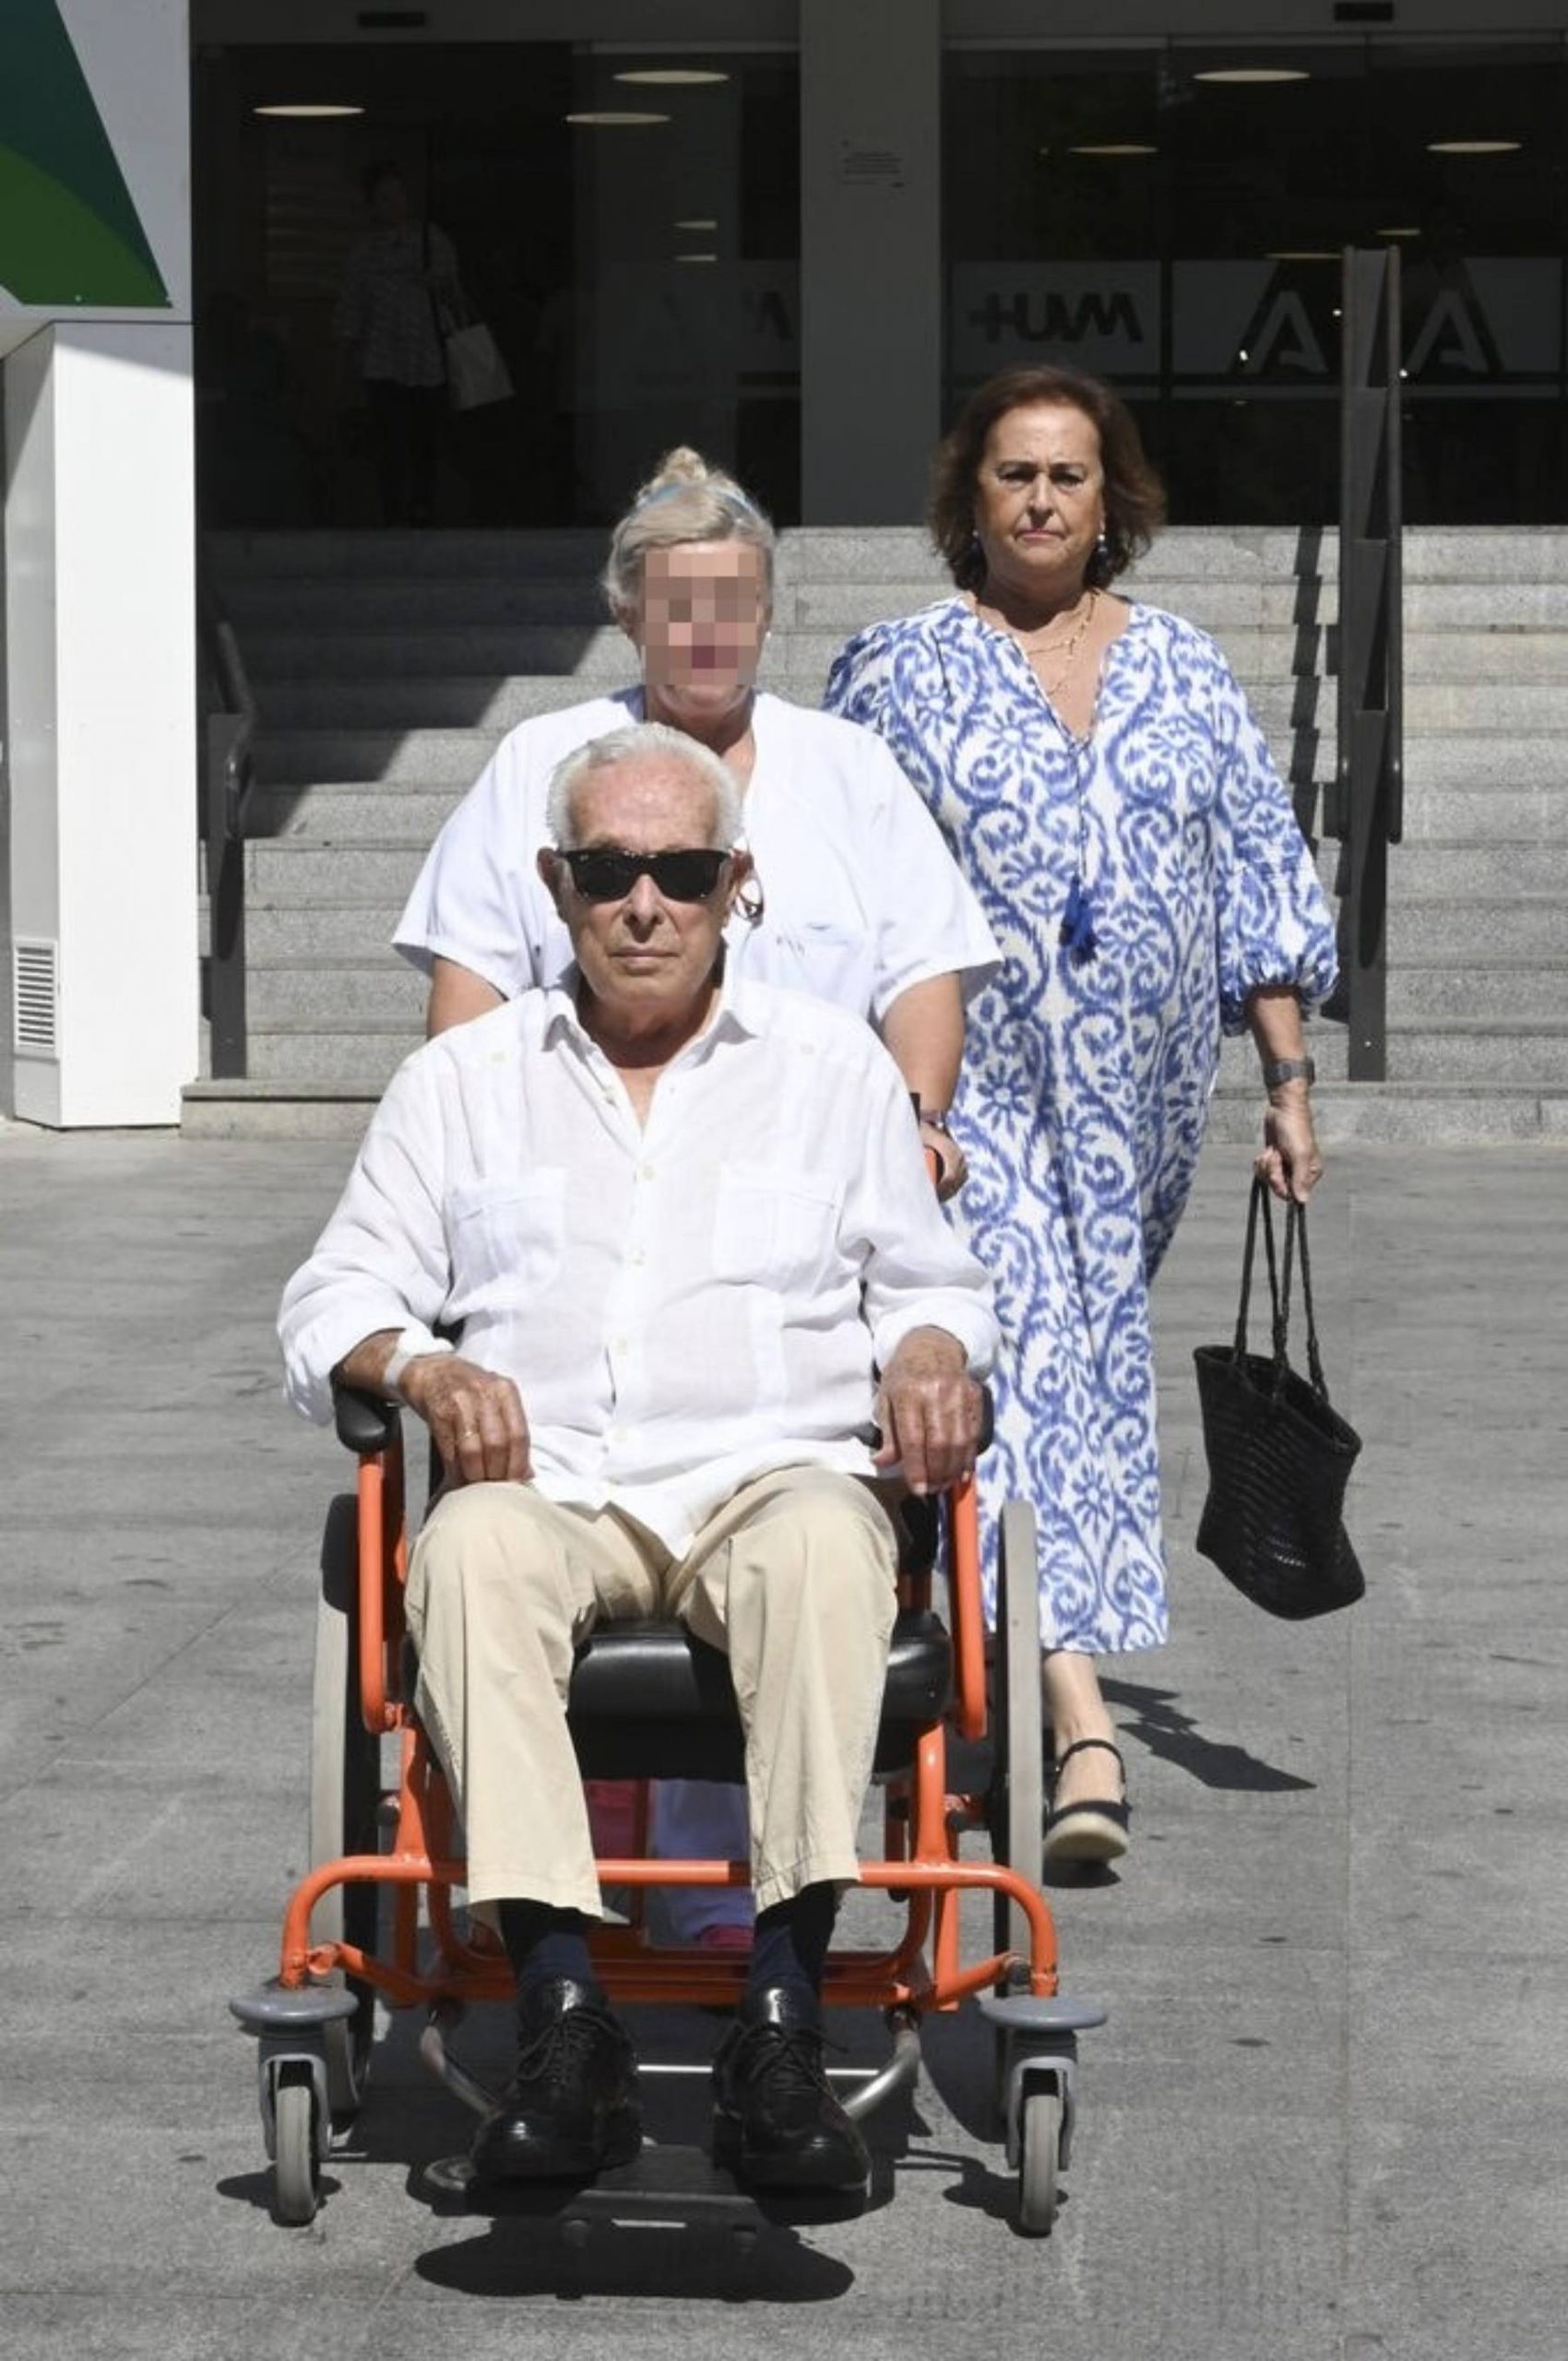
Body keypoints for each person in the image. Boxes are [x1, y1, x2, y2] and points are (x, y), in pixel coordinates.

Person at [279, 726, 996, 2192]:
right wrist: (421, 1364)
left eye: (680, 869)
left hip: (770, 1475)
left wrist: (928, 1350)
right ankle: (563, 2017)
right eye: (611, 870)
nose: (646, 902)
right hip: (557, 1493)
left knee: (816, 1542)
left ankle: (781, 2017)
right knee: (465, 1544)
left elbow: (936, 1284)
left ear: (739, 882)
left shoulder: (831, 1070)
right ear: (555, 885)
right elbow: (330, 1294)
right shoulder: (465, 1081)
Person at [394, 445, 999, 1942]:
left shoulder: (849, 776)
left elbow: (926, 973)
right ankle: (573, 1902)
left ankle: (749, 1914)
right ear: (626, 615)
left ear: (771, 612)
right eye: (679, 603)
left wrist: (915, 1122)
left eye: (736, 601)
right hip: (588, 1201)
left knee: (810, 1484)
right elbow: (469, 1006)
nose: (709, 631)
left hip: (806, 1220)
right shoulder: (538, 761)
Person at [824, 365, 1337, 1866]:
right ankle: (1078, 1712)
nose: (1042, 499)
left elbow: (1254, 867)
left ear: (1112, 499)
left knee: (1082, 1356)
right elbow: (833, 868)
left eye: (1068, 475)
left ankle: (979, 1669)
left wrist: (1287, 1081)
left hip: (1144, 1105)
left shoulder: (1183, 667)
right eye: (1013, 475)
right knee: (1033, 1351)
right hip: (971, 1088)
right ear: (966, 499)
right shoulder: (898, 668)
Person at [333, 162, 460, 525]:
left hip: (428, 358)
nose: (394, 204)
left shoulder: (431, 241)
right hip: (381, 359)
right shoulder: (362, 254)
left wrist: (433, 283)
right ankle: (392, 507)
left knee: (425, 437)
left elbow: (454, 291)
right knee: (388, 437)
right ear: (371, 204)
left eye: (399, 196)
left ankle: (424, 504)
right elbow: (350, 312)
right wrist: (341, 366)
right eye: (385, 198)